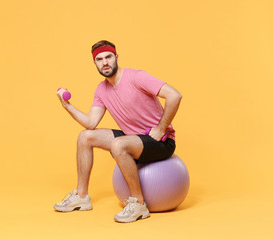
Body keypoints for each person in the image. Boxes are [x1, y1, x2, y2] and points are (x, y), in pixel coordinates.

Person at [54, 40, 182, 223]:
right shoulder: (101, 89)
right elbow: (91, 123)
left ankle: (138, 204)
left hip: (160, 142)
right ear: (95, 63)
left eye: (108, 57)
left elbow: (175, 95)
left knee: (118, 144)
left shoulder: (137, 77)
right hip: (134, 139)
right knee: (85, 137)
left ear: (116, 57)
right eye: (99, 59)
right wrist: (67, 106)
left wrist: (161, 129)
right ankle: (81, 196)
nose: (105, 62)